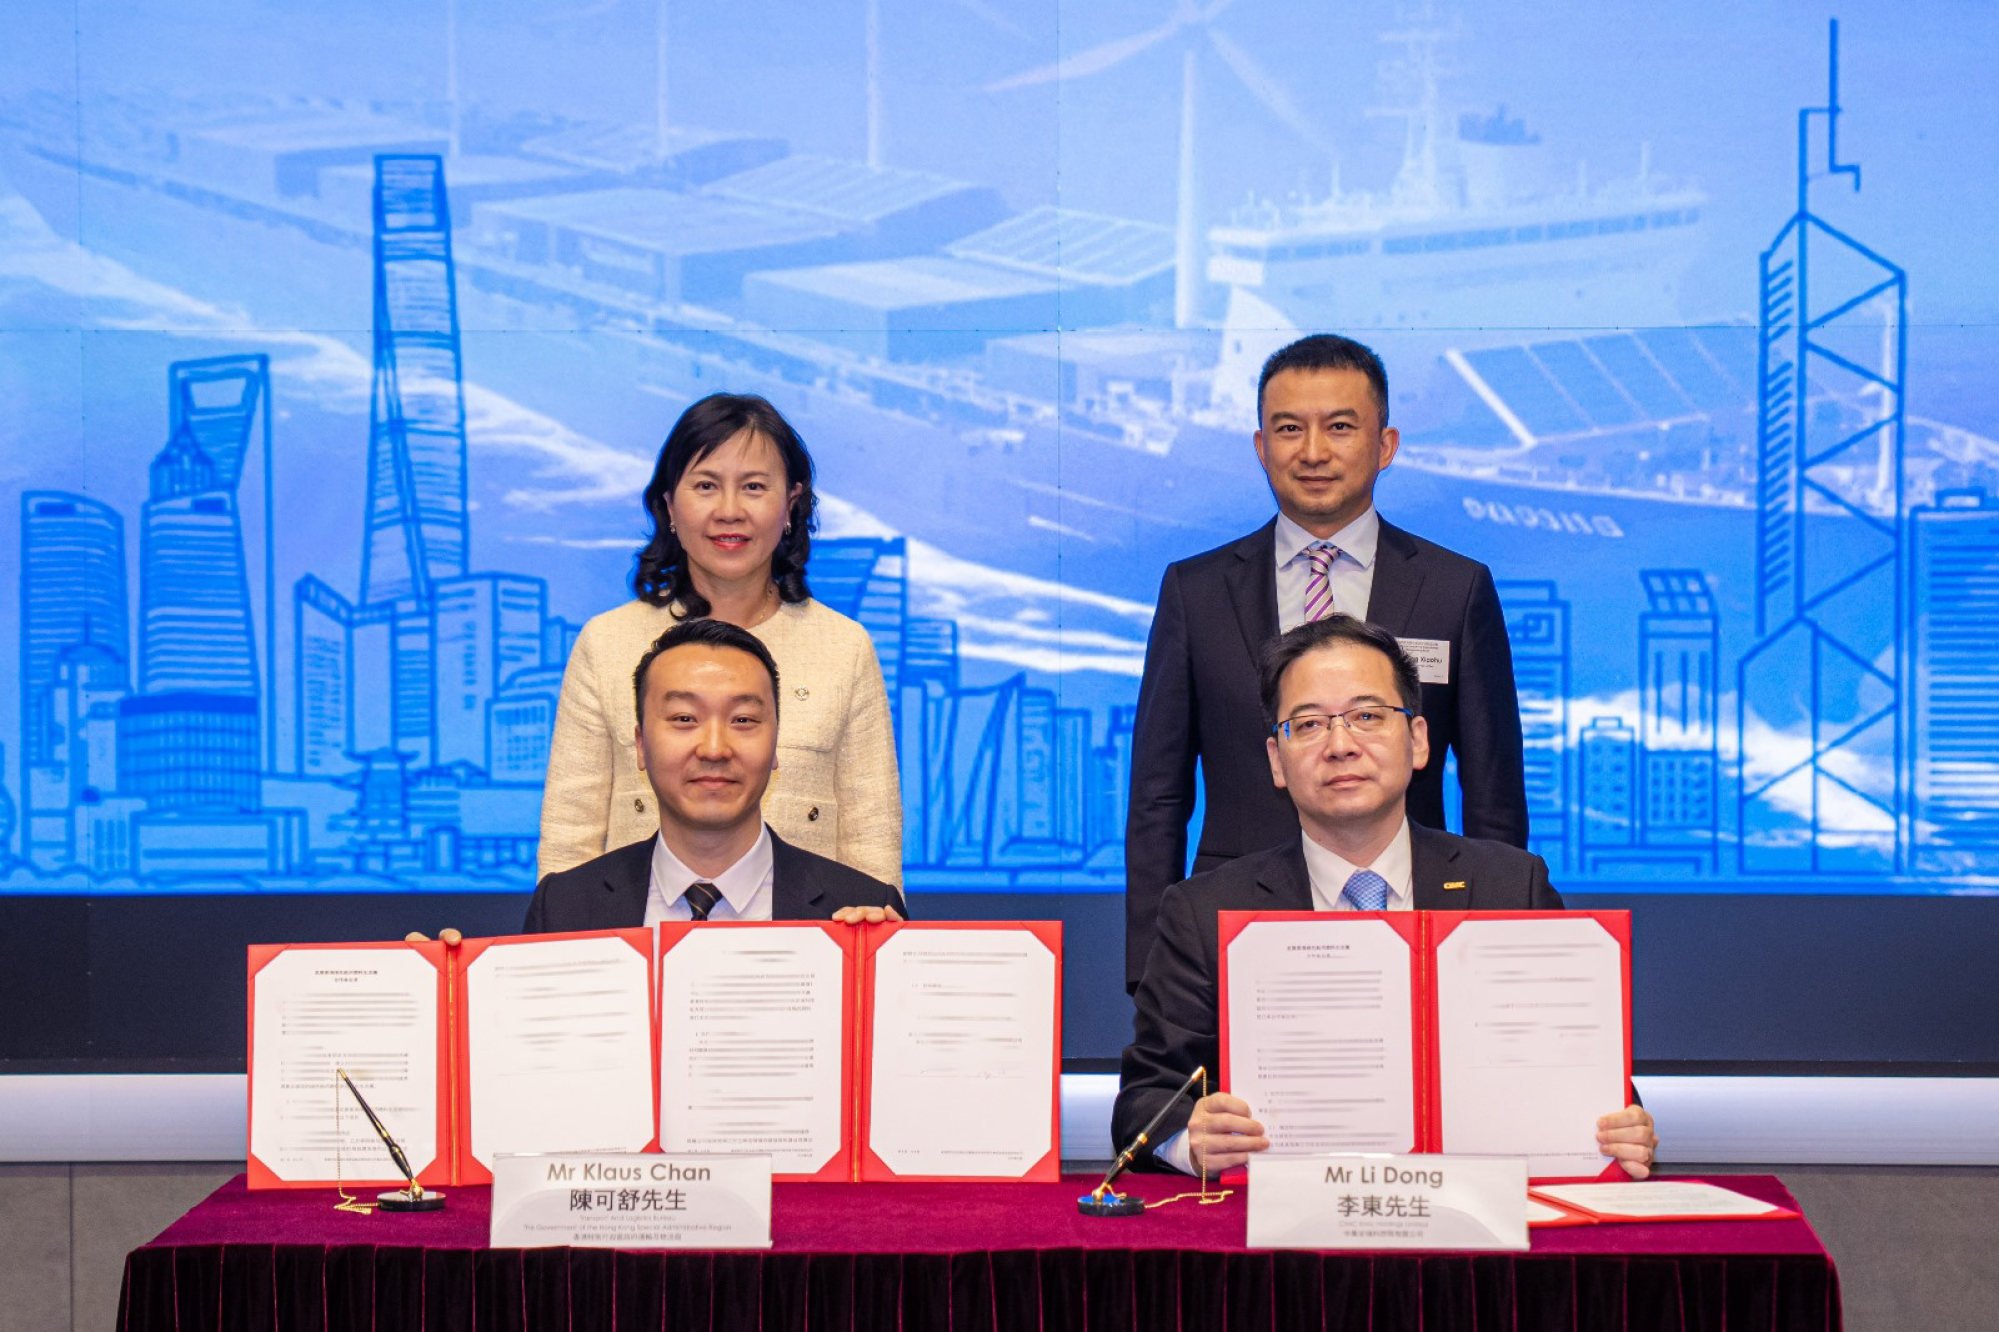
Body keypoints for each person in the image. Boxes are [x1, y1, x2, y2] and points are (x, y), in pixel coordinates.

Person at [1114, 615, 1653, 1178]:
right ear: (1277, 759)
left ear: (1418, 740)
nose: (1341, 745)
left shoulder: (1511, 888)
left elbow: (1590, 1084)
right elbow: (1144, 1102)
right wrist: (1191, 1140)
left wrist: (1624, 1126)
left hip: (1472, 1226)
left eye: (1368, 716)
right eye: (1310, 724)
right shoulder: (1204, 911)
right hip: (1284, 1231)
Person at [1123, 333, 1529, 988]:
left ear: (1385, 444)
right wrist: (1151, 968)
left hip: (1415, 922)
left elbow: (1493, 794)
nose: (1312, 452)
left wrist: (1502, 950)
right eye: (1288, 429)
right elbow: (1156, 796)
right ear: (1261, 447)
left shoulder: (1455, 589)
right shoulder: (1193, 592)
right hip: (1234, 927)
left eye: (1339, 427)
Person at [538, 393, 902, 889]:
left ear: (791, 503)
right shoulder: (607, 643)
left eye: (754, 487)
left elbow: (871, 850)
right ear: (668, 504)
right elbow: (569, 842)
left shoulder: (844, 648)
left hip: (804, 953)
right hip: (638, 948)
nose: (729, 511)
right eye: (706, 486)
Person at [525, 619, 904, 931]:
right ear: (640, 745)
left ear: (775, 745)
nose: (714, 749)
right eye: (684, 719)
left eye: (743, 720)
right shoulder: (563, 906)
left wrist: (878, 971)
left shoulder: (861, 911)